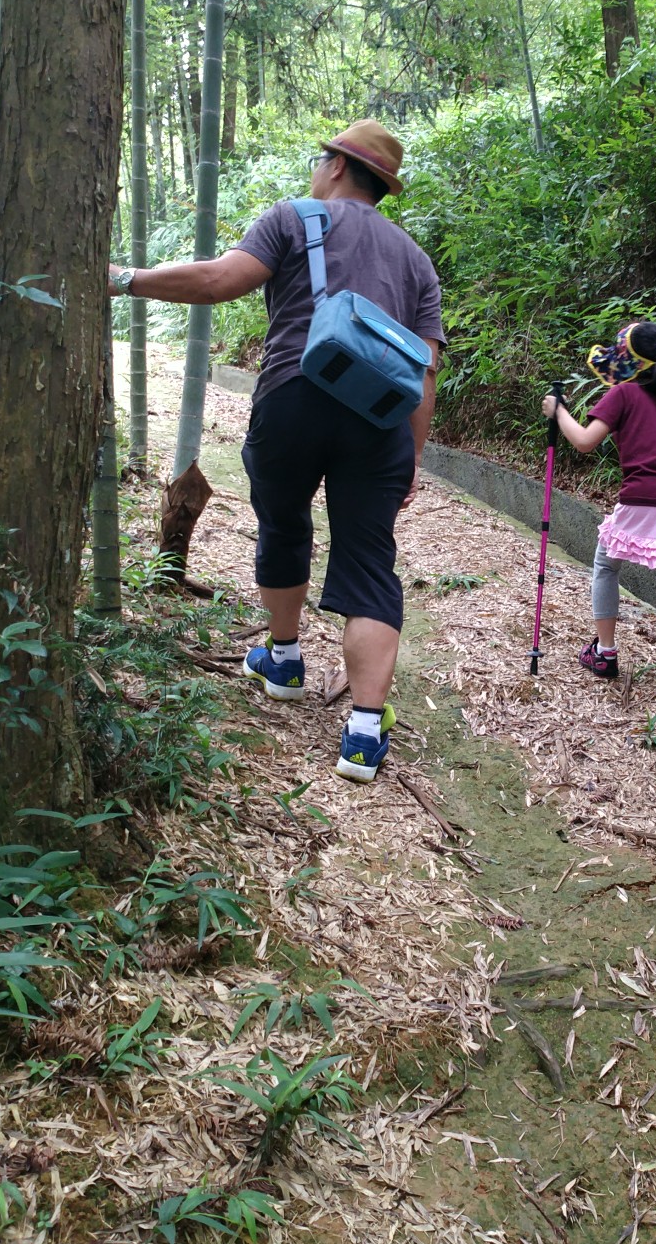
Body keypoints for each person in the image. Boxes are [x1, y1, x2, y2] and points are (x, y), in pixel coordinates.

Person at [109, 119, 445, 782]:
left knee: (284, 522)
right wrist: (411, 456)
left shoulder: (294, 217)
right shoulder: (416, 261)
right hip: (379, 422)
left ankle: (284, 659)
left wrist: (123, 279)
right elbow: (424, 376)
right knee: (369, 557)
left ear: (339, 167)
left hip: (294, 395)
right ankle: (363, 736)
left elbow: (215, 282)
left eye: (321, 160)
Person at [541, 321, 656, 727]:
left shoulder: (623, 393)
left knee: (606, 565)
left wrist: (558, 411)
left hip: (642, 501)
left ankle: (605, 652)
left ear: (628, 364)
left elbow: (585, 440)